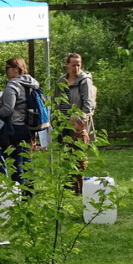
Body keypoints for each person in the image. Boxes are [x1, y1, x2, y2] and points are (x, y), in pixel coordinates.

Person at [0, 57, 41, 184]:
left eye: (8, 68)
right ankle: (28, 194)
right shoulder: (32, 82)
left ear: (17, 69)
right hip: (29, 126)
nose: (6, 71)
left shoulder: (13, 84)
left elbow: (8, 109)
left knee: (16, 162)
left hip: (16, 127)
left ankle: (19, 194)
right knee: (26, 160)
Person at [58, 52, 96, 194]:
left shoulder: (84, 80)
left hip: (79, 124)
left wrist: (80, 122)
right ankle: (69, 185)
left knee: (79, 156)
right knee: (67, 154)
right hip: (64, 123)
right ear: (67, 65)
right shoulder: (61, 81)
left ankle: (79, 187)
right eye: (73, 65)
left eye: (78, 65)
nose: (76, 68)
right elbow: (57, 100)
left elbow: (88, 104)